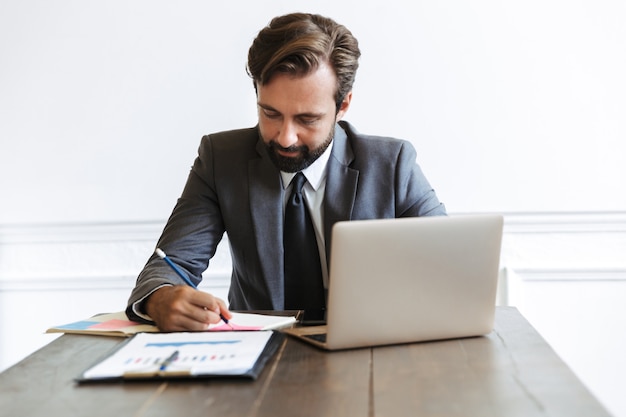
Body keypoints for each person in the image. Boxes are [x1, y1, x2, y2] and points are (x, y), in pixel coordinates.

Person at [126, 12, 446, 331]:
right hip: (259, 352)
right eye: (271, 113)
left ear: (343, 105)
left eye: (307, 119)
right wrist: (161, 299)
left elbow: (447, 264)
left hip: (368, 351)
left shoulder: (392, 165)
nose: (285, 137)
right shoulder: (220, 160)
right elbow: (170, 264)